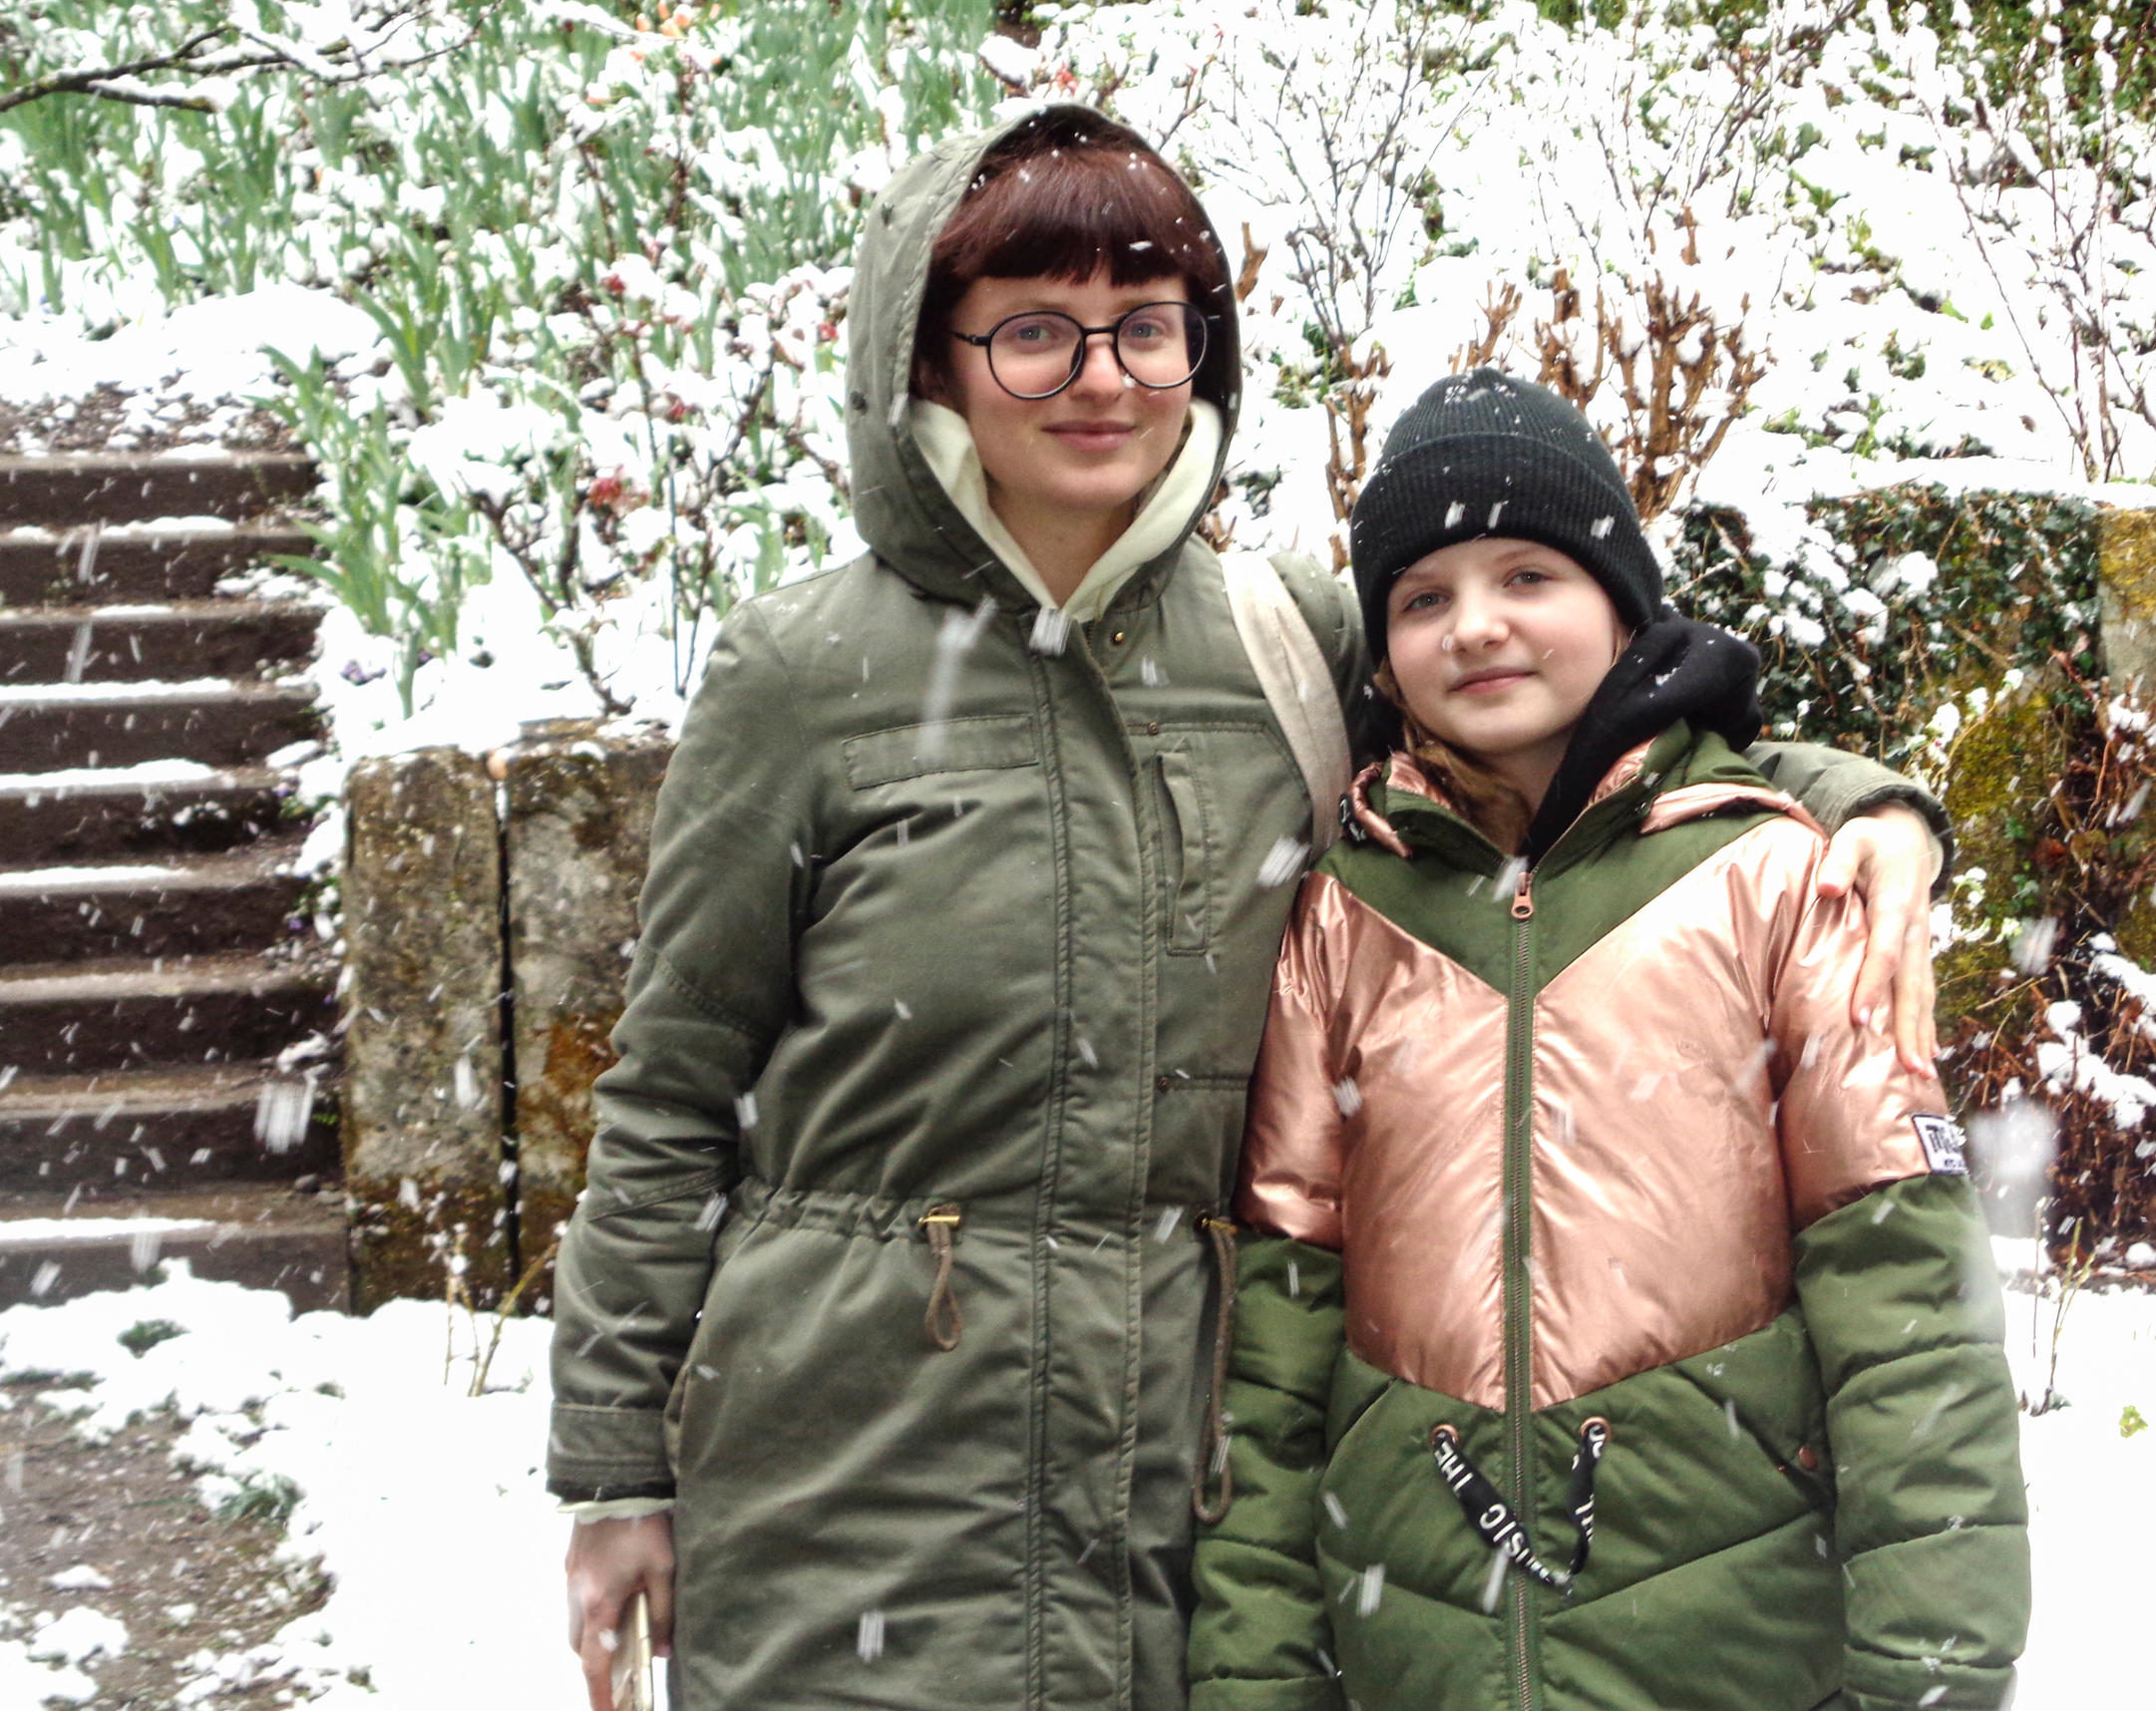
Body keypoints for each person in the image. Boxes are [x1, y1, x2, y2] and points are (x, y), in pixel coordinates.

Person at [546, 107, 1958, 1711]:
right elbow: (671, 1095)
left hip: (1185, 1479)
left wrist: (1868, 810)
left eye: (1147, 328)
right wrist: (613, 1470)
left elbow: (1596, 709)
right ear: (922, 360)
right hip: (853, 1476)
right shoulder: (805, 676)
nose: (1102, 378)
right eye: (1033, 332)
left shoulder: (1289, 640)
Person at [1185, 371, 2029, 1711]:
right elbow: (1276, 1358)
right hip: (1422, 1648)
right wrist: (1253, 1677)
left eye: (1530, 575)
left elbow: (1907, 1318)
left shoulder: (1782, 884)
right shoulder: (1344, 918)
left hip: (1730, 1646)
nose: (1476, 628)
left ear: (1622, 602)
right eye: (1423, 597)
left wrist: (1935, 1665)